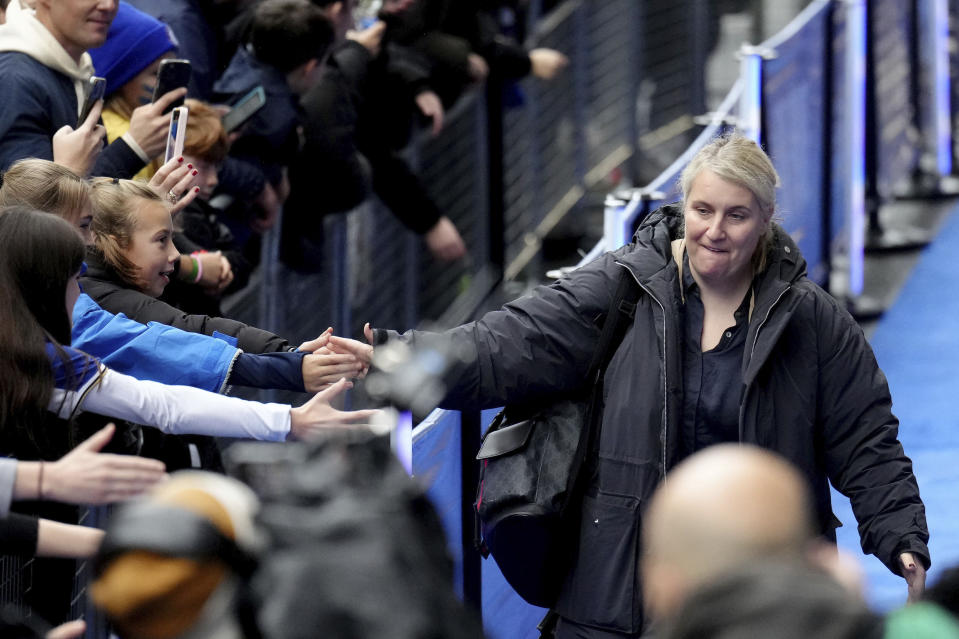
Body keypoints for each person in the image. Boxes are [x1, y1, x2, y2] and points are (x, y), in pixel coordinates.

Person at [368, 134, 929, 637]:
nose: (715, 229)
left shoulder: (814, 321)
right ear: (684, 208)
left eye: (736, 215)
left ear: (766, 218)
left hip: (763, 599)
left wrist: (902, 537)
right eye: (702, 209)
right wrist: (396, 355)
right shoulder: (621, 287)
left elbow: (866, 440)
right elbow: (507, 344)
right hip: (614, 598)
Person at [0, 206, 379, 445]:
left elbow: (162, 404)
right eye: (71, 280)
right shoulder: (64, 338)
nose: (79, 293)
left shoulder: (56, 360)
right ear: (42, 285)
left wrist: (288, 418)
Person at [0, 0, 182, 178]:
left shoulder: (76, 70)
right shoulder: (14, 80)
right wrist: (132, 149)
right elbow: (28, 204)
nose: (108, 5)